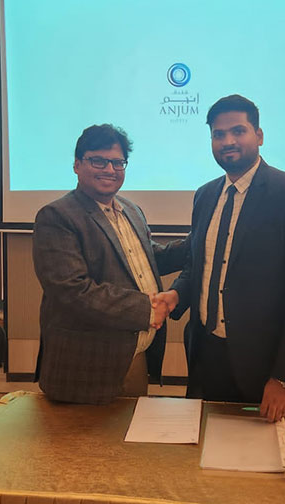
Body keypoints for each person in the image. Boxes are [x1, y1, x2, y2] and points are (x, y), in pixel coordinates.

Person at [157, 95, 285, 422]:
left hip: (265, 367)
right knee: (204, 445)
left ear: (259, 135)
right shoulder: (205, 195)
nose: (228, 141)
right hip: (206, 358)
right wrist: (176, 293)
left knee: (268, 451)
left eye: (238, 131)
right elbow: (200, 265)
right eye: (218, 134)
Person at [32, 124, 187, 404]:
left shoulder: (131, 210)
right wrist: (147, 309)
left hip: (134, 354)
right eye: (98, 161)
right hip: (84, 367)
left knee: (130, 429)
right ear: (77, 165)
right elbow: (72, 291)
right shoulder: (57, 216)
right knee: (80, 434)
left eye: (118, 162)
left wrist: (201, 240)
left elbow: (147, 259)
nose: (110, 170)